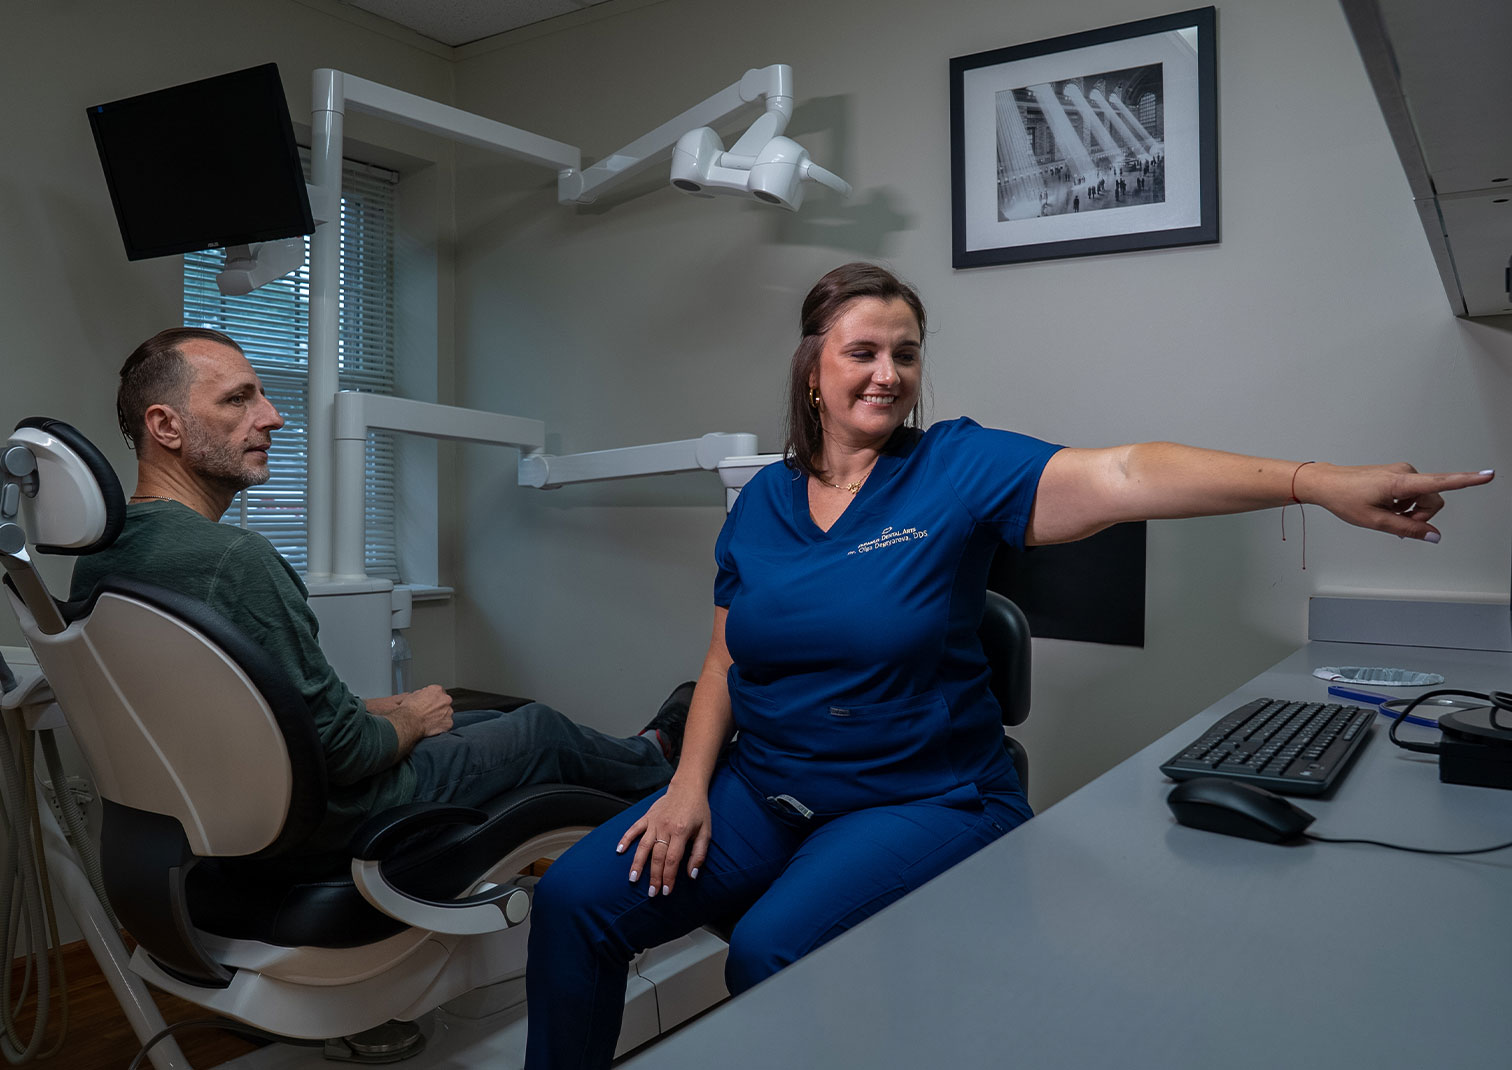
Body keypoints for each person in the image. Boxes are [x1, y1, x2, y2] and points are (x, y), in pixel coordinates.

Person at [521, 262, 1493, 1069]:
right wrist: (689, 784)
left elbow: (1122, 474)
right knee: (572, 902)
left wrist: (1312, 481)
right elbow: (725, 653)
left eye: (906, 352)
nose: (888, 372)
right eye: (863, 349)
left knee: (772, 950)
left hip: (923, 797)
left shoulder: (955, 466)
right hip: (762, 784)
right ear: (812, 365)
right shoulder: (762, 503)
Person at [70, 327, 691, 857]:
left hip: (230, 809)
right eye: (239, 399)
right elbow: (343, 753)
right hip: (333, 816)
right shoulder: (234, 560)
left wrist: (382, 709)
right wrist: (413, 716)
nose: (273, 417)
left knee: (474, 717)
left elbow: (248, 706)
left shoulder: (104, 555)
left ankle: (638, 752)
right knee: (536, 730)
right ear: (166, 426)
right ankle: (663, 761)